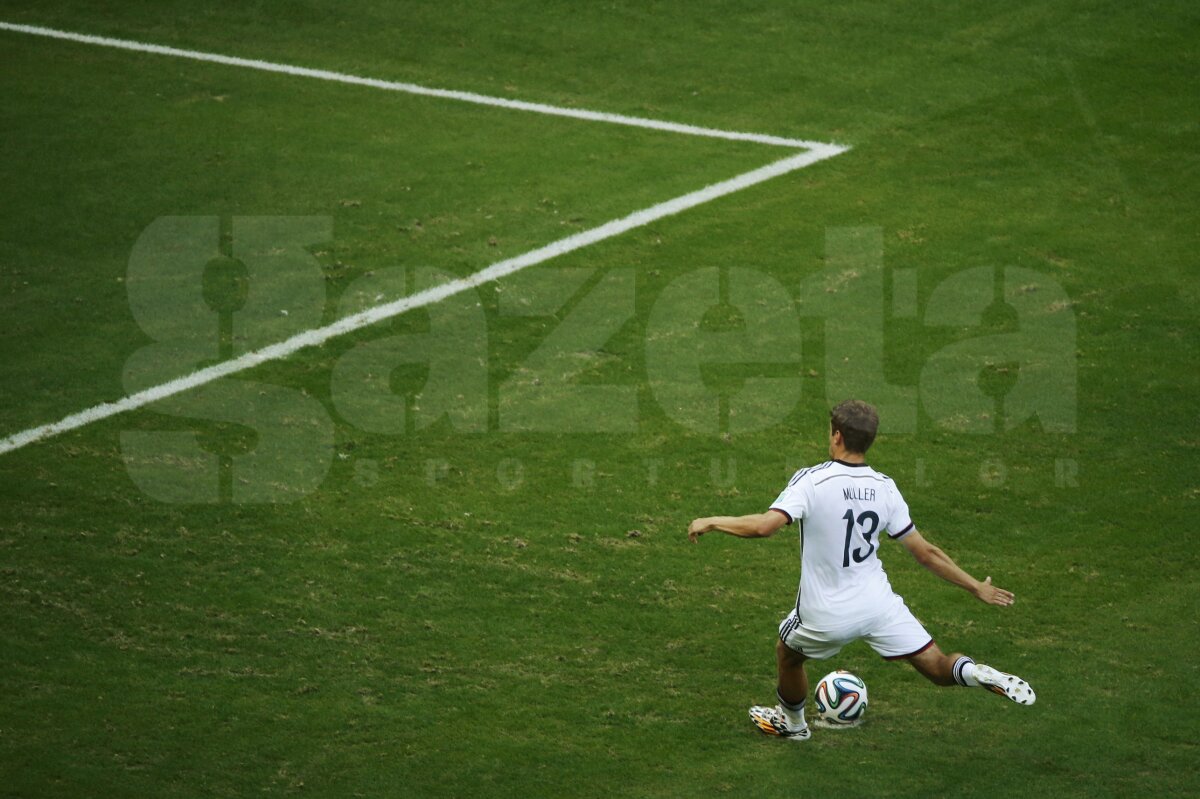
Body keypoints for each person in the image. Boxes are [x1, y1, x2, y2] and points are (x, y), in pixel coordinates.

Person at [687, 399, 1034, 740]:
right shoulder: (885, 487)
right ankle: (973, 672)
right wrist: (977, 587)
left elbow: (765, 526)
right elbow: (927, 553)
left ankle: (794, 726)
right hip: (878, 605)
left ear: (837, 436)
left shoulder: (812, 480)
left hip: (826, 612)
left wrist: (713, 521)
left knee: (788, 655)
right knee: (936, 665)